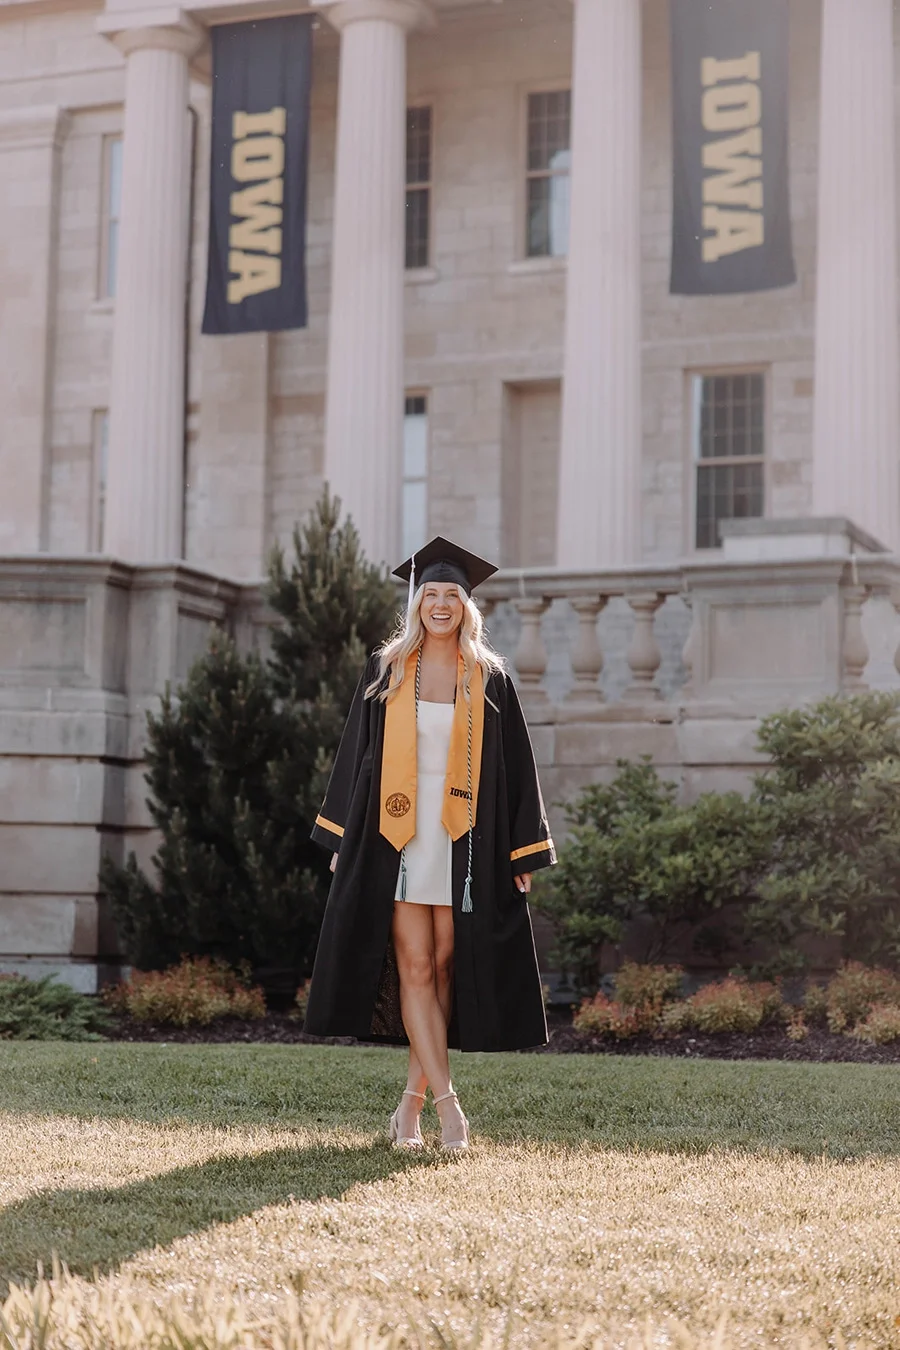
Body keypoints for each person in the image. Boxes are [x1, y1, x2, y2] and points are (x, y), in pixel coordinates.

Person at [304, 537, 556, 1151]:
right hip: (397, 836)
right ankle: (447, 1111)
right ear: (416, 604)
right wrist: (343, 835)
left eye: (452, 596)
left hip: (464, 839)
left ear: (467, 608)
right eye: (430, 595)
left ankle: (407, 1108)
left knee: (446, 964)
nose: (440, 606)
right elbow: (355, 755)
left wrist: (523, 852)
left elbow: (519, 767)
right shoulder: (387, 670)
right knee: (415, 965)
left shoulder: (489, 678)